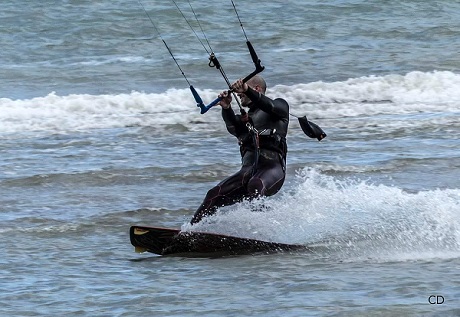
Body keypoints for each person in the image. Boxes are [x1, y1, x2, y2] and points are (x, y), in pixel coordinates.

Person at [190, 75, 290, 224]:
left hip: (272, 170)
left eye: (242, 90)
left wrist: (246, 90)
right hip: (247, 172)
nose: (238, 93)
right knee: (213, 194)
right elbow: (234, 128)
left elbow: (271, 106)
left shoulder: (279, 106)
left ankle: (265, 230)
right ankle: (189, 232)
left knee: (255, 185)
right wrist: (226, 108)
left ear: (256, 89)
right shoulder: (247, 118)